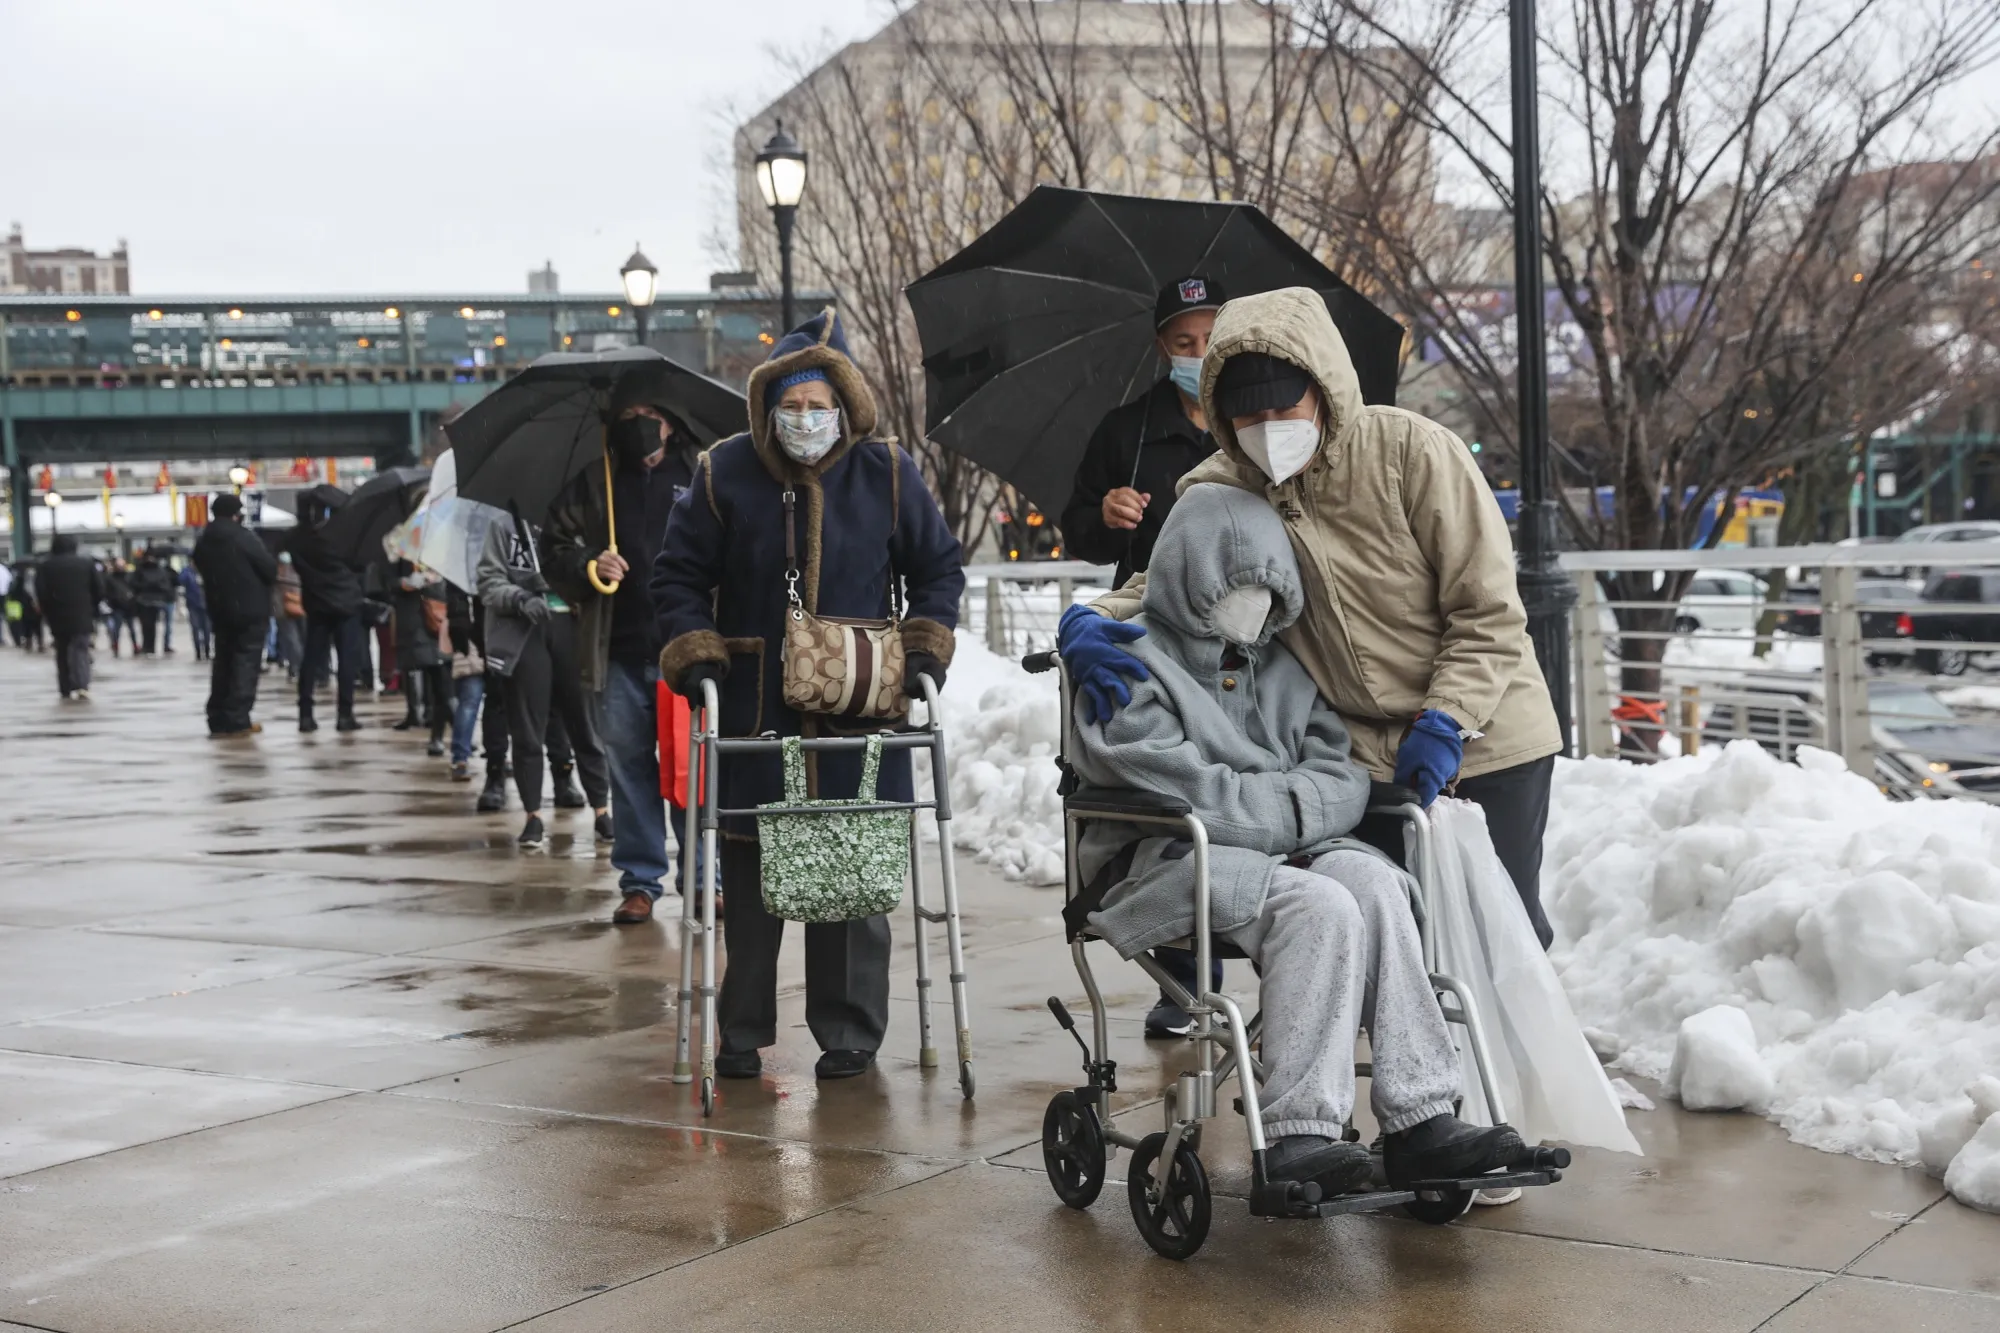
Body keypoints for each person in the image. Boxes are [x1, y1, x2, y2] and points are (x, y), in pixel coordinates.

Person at [1063, 286, 1565, 947]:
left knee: (1499, 934)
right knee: (1399, 939)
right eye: (1247, 416)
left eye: (1284, 405)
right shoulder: (1226, 483)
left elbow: (1489, 611)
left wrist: (1448, 717)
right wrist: (1088, 622)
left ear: (1323, 388)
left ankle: (1501, 1054)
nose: (1269, 428)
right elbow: (1169, 579)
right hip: (1366, 755)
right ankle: (1410, 1053)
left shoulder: (1413, 453)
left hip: (1487, 733)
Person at [1068, 482, 1527, 1191]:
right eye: (1238, 584)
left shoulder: (1280, 665)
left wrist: (1285, 808)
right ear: (1192, 574)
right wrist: (1298, 805)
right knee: (1319, 905)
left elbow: (1339, 772)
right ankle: (1298, 1130)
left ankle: (1421, 1114)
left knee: (1374, 884)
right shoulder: (1129, 664)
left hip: (1276, 852)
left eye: (1268, 586)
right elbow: (1183, 791)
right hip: (1168, 855)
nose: (1256, 603)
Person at [653, 308, 965, 1082]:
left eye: (817, 405)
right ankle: (742, 1029)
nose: (803, 419)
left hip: (863, 708)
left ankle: (850, 1029)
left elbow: (937, 569)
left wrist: (924, 648)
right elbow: (679, 575)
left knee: (854, 873)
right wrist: (698, 655)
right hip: (758, 704)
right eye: (789, 405)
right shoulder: (725, 471)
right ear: (767, 407)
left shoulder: (887, 471)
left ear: (845, 404)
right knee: (755, 879)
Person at [1058, 274, 1225, 1038]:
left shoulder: (1251, 417)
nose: (1198, 354)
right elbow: (1078, 533)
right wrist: (1105, 513)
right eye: (1183, 343)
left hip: (1245, 641)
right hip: (1154, 642)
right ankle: (1183, 973)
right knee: (1171, 801)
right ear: (1163, 347)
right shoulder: (1126, 431)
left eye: (1210, 339)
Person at [545, 404, 703, 925]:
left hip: (686, 652)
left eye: (650, 413)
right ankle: (640, 881)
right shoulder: (596, 481)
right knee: (630, 769)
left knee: (691, 770)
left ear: (671, 421)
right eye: (629, 412)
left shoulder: (701, 473)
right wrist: (591, 562)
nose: (640, 422)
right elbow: (555, 549)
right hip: (617, 653)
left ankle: (705, 878)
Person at [477, 513, 611, 849]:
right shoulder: (502, 522)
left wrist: (580, 581)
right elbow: (488, 580)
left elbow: (598, 567)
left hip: (573, 628)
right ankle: (533, 816)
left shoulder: (577, 517)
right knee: (527, 731)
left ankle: (602, 810)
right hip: (525, 632)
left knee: (585, 726)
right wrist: (520, 598)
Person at [192, 493, 278, 737]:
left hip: (220, 609)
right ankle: (238, 718)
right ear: (236, 513)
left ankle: (217, 716)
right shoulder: (243, 537)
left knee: (223, 663)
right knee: (246, 663)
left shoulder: (204, 540)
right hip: (250, 609)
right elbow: (268, 568)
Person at [288, 495, 367, 733]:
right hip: (346, 604)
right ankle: (345, 714)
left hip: (316, 604)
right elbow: (360, 564)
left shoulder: (296, 538)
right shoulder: (342, 536)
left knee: (311, 660)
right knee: (346, 661)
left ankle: (305, 714)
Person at [36, 535, 104, 699]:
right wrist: (92, 606)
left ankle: (65, 686)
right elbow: (99, 589)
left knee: (62, 650)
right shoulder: (86, 563)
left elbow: (41, 591)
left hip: (57, 614)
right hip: (82, 613)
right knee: (80, 648)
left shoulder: (46, 565)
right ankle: (82, 683)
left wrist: (47, 609)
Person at [130, 547, 176, 657]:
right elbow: (134, 584)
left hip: (155, 600)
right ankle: (147, 646)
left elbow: (165, 584)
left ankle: (151, 647)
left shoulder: (159, 570)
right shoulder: (140, 570)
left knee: (152, 625)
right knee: (146, 625)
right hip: (144, 601)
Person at [103, 556, 139, 657]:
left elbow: (135, 589)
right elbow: (107, 592)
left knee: (131, 628)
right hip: (117, 606)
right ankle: (116, 645)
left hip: (129, 606)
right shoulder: (110, 578)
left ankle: (135, 645)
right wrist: (113, 602)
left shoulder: (129, 576)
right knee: (117, 629)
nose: (120, 566)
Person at [179, 557, 212, 661]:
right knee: (195, 628)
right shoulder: (188, 571)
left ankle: (207, 650)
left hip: (206, 605)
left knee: (207, 629)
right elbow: (181, 580)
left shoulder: (207, 570)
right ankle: (198, 651)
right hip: (193, 604)